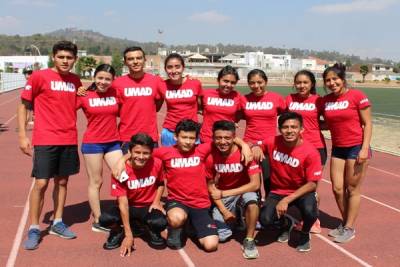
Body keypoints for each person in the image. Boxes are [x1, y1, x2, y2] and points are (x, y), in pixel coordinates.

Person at [17, 40, 82, 250]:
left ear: (75, 59)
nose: (65, 61)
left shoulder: (75, 80)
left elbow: (82, 100)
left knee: (62, 183)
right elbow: (24, 105)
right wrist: (22, 136)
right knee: (41, 183)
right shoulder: (39, 76)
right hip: (45, 139)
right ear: (53, 57)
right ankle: (35, 228)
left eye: (69, 57)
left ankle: (58, 222)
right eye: (61, 57)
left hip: (68, 138)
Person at [255, 112, 322, 252]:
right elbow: (257, 145)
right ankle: (286, 224)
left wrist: (287, 200)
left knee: (310, 212)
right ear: (280, 129)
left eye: (294, 127)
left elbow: (312, 184)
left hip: (301, 191)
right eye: (285, 127)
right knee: (265, 220)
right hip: (277, 191)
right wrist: (255, 147)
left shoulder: (311, 152)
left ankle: (304, 234)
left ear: (301, 129)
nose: (290, 131)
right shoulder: (272, 141)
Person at [321, 63, 372, 243]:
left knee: (352, 189)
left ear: (343, 79)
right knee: (336, 188)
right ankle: (345, 222)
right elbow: (328, 124)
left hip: (356, 147)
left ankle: (349, 227)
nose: (332, 82)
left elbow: (367, 123)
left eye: (335, 79)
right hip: (338, 147)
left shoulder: (357, 96)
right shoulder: (326, 101)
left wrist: (365, 148)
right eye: (328, 80)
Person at [99, 133, 167, 256]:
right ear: (130, 152)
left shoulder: (157, 163)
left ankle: (150, 229)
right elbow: (123, 204)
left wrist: (156, 201)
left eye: (145, 153)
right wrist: (128, 235)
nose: (141, 157)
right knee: (104, 219)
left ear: (151, 153)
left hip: (147, 207)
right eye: (137, 152)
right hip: (128, 206)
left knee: (161, 222)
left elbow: (161, 183)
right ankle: (117, 231)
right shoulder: (120, 171)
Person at [76, 64, 123, 232]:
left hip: (113, 142)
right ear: (95, 77)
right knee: (96, 181)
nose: (103, 82)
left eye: (107, 79)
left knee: (122, 176)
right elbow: (63, 107)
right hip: (92, 143)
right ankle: (98, 219)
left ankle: (123, 212)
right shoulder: (84, 95)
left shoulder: (116, 93)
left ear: (113, 80)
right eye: (100, 78)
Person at [206, 120, 261, 259]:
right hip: (223, 197)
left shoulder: (245, 154)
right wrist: (224, 211)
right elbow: (211, 187)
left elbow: (255, 184)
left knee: (252, 201)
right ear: (213, 138)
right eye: (218, 138)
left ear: (234, 137)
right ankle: (239, 219)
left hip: (242, 191)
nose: (223, 142)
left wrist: (224, 193)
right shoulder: (210, 156)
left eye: (227, 138)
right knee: (223, 236)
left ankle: (249, 240)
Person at [286, 70, 327, 234]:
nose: (301, 85)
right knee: (298, 183)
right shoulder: (289, 99)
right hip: (295, 148)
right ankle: (305, 215)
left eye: (305, 82)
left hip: (316, 147)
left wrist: (314, 127)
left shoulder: (319, 101)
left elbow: (331, 121)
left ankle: (314, 220)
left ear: (312, 84)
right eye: (298, 82)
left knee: (312, 186)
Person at [240, 69, 286, 196]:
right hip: (249, 144)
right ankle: (254, 209)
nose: (256, 86)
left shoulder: (276, 98)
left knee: (270, 181)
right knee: (252, 184)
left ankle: (269, 211)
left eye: (259, 82)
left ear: (266, 81)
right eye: (252, 83)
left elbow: (286, 117)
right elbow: (236, 117)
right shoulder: (243, 99)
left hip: (269, 146)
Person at [112, 46, 164, 152]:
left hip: (150, 137)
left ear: (145, 60)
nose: (135, 62)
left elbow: (157, 106)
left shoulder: (156, 81)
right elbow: (116, 110)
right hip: (126, 138)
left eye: (139, 58)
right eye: (131, 59)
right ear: (125, 62)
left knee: (152, 168)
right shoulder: (117, 83)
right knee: (126, 169)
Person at [159, 53, 203, 146]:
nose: (174, 70)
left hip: (191, 132)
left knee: (193, 160)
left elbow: (201, 107)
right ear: (165, 69)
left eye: (177, 67)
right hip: (170, 131)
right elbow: (156, 106)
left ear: (183, 67)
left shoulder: (195, 83)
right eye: (170, 67)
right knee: (169, 160)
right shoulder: (162, 85)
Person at [200, 65, 242, 143]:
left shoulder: (238, 97)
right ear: (218, 80)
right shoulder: (206, 94)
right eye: (225, 81)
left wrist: (234, 121)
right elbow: (198, 108)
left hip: (226, 141)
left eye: (232, 83)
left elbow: (239, 114)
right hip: (207, 139)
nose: (229, 85)